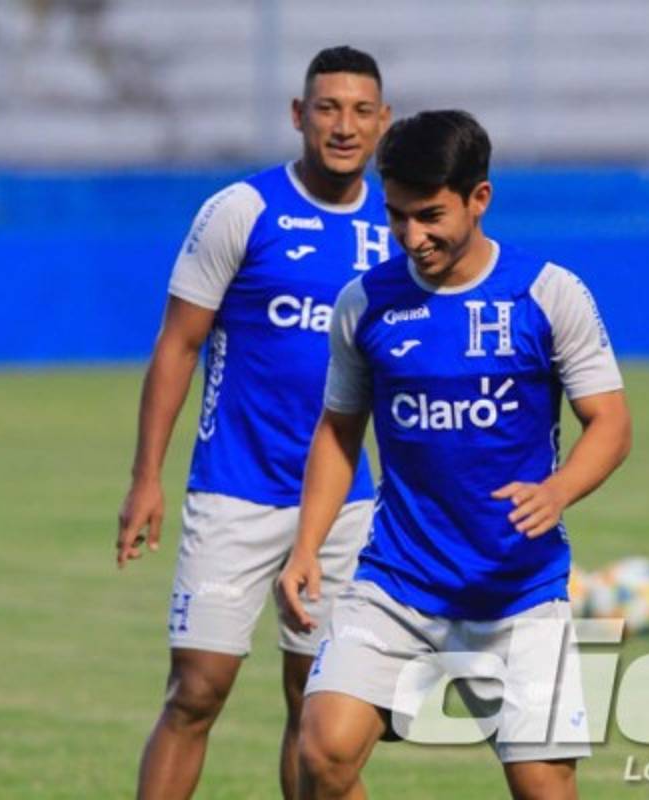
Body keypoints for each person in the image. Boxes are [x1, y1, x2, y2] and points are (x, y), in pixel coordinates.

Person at [279, 110, 632, 799]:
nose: (413, 236)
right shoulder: (365, 303)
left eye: (431, 215)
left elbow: (611, 424)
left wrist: (556, 492)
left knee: (543, 787)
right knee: (322, 752)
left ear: (480, 198)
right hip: (397, 583)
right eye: (398, 216)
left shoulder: (548, 294)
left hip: (517, 591)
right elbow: (337, 431)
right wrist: (306, 546)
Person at [115, 46, 394, 800]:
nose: (344, 125)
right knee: (196, 691)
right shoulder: (242, 210)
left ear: (383, 122)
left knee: (315, 709)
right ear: (299, 116)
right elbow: (178, 344)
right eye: (328, 108)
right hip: (233, 488)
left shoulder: (396, 228)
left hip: (339, 503)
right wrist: (147, 478)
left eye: (361, 110)